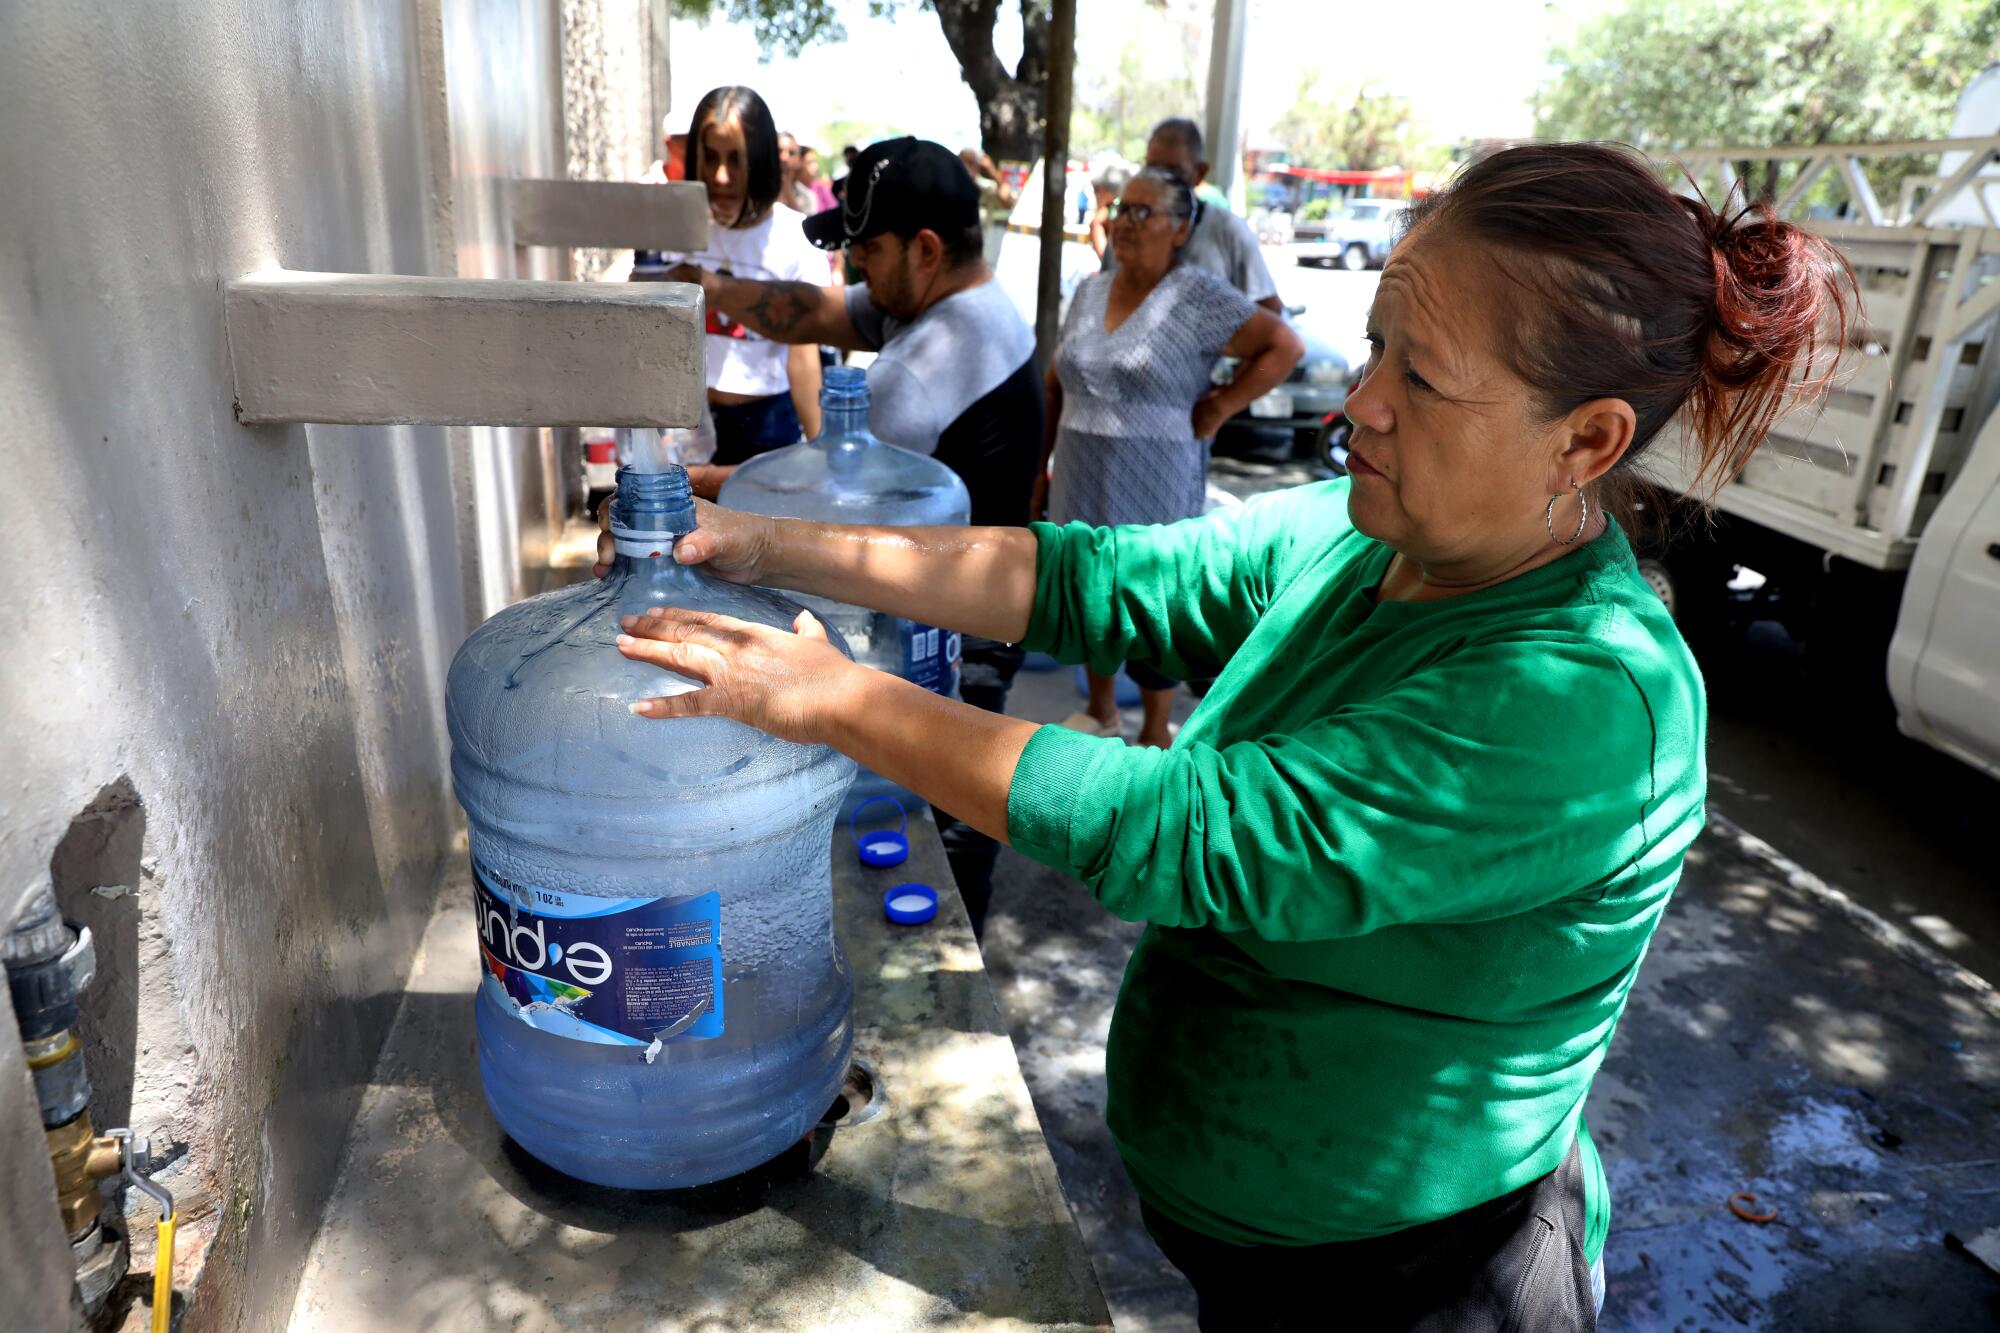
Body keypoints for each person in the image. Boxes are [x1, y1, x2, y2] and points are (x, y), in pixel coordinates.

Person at [602, 142, 1854, 1328]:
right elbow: (1096, 581)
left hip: (1415, 1280)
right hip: (1257, 1249)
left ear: (1584, 440)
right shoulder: (1370, 533)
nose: (1356, 404)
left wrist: (839, 699)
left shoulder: (1589, 696)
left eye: (1419, 378)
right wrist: (770, 540)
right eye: (1376, 350)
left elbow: (1192, 835)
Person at [650, 136, 1043, 932]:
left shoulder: (928, 364)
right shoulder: (965, 304)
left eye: (867, 250)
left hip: (953, 653)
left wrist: (677, 489)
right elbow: (812, 311)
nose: (856, 271)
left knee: (928, 860)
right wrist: (703, 287)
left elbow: (814, 500)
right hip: (970, 613)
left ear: (925, 250)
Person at [1042, 166, 1302, 747]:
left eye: (1143, 212)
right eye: (1120, 210)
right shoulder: (1090, 289)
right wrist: (1041, 468)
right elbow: (1057, 379)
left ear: (1180, 229)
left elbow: (1283, 345)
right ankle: (1102, 709)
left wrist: (1221, 407)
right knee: (1086, 583)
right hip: (1081, 468)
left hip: (1155, 478)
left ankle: (1157, 730)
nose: (1125, 223)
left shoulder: (1198, 297)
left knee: (1154, 594)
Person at [641, 88, 828, 465]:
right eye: (709, 158)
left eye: (736, 160)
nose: (721, 176)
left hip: (769, 426)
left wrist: (823, 456)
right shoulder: (674, 230)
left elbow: (804, 358)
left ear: (760, 161)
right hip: (685, 427)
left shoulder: (797, 239)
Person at [1106, 117, 1281, 314]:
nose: (1161, 180)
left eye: (1174, 172)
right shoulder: (1126, 228)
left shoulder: (1228, 231)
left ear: (1199, 173)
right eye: (1153, 169)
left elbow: (1271, 316)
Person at [777, 131, 818, 216]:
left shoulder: (808, 197)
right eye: (779, 151)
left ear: (799, 161)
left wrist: (788, 192)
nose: (784, 158)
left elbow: (806, 225)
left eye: (791, 153)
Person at [801, 146, 838, 213]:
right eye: (810, 162)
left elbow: (834, 211)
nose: (816, 166)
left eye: (815, 161)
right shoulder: (794, 191)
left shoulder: (820, 187)